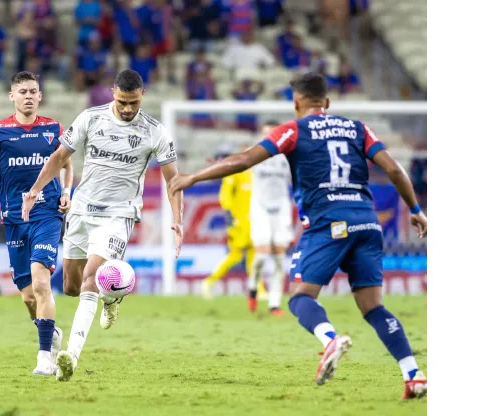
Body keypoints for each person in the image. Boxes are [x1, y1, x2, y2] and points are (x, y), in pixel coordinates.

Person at [167, 72, 427, 399]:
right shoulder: (358, 128)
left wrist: (192, 178)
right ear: (328, 103)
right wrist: (415, 209)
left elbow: (245, 159)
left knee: (301, 296)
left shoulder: (293, 129)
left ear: (296, 103)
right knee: (373, 306)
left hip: (328, 222)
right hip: (366, 220)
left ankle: (330, 338)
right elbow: (394, 170)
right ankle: (413, 374)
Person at [21, 69, 184, 382]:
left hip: (118, 215)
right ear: (113, 93)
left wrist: (178, 220)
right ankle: (113, 296)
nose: (127, 108)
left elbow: (173, 180)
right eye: (122, 101)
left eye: (133, 103)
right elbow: (58, 157)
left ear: (142, 96)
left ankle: (70, 356)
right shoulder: (90, 118)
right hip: (82, 211)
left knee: (90, 280)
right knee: (70, 286)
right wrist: (35, 189)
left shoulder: (155, 132)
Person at [0, 71, 74, 376]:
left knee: (42, 282)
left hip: (47, 214)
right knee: (28, 294)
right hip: (15, 218)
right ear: (12, 96)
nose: (28, 96)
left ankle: (44, 358)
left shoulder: (53, 129)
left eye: (33, 91)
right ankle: (50, 332)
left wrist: (67, 191)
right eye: (23, 92)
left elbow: (67, 165)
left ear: (40, 95)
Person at [245, 121, 294, 315]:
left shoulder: (287, 157)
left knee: (279, 258)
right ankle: (253, 288)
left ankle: (275, 303)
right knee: (262, 255)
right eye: (266, 134)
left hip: (281, 207)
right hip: (260, 207)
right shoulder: (254, 154)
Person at [201, 145, 262, 301]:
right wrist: (229, 215)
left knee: (253, 255)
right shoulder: (236, 172)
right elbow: (225, 195)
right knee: (236, 255)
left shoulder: (253, 173)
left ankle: (258, 289)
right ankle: (209, 281)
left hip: (252, 221)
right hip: (238, 221)